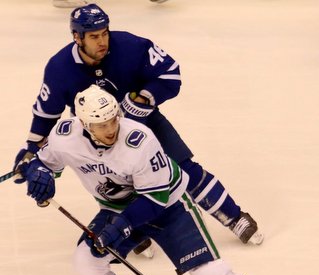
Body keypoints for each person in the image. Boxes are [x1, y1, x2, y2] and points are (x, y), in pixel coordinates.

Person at [20, 85, 299, 275]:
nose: (110, 128)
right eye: (101, 124)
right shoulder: (65, 136)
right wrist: (39, 174)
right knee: (86, 261)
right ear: (84, 124)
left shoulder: (139, 141)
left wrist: (123, 225)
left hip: (168, 207)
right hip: (117, 209)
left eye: (113, 119)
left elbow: (155, 199)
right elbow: (47, 162)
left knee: (209, 274)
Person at [14, 3, 263, 253]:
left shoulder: (131, 47)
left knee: (185, 169)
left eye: (104, 33)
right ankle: (136, 233)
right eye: (94, 36)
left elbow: (170, 75)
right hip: (94, 134)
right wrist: (31, 149)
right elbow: (47, 113)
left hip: (143, 123)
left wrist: (143, 99)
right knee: (115, 188)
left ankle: (233, 216)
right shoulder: (59, 68)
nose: (102, 41)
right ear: (77, 37)